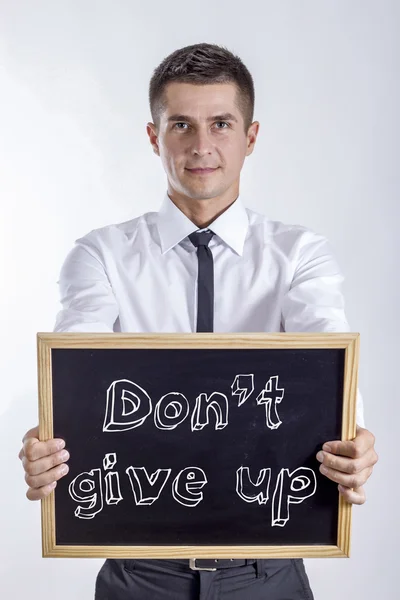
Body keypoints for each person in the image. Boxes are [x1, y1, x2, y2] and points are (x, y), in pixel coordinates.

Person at [18, 42, 378, 600]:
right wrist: (50, 440)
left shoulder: (299, 255)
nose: (201, 145)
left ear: (251, 137)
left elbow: (327, 356)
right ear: (153, 136)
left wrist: (354, 438)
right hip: (141, 575)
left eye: (221, 124)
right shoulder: (101, 256)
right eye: (181, 124)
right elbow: (75, 373)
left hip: (268, 572)